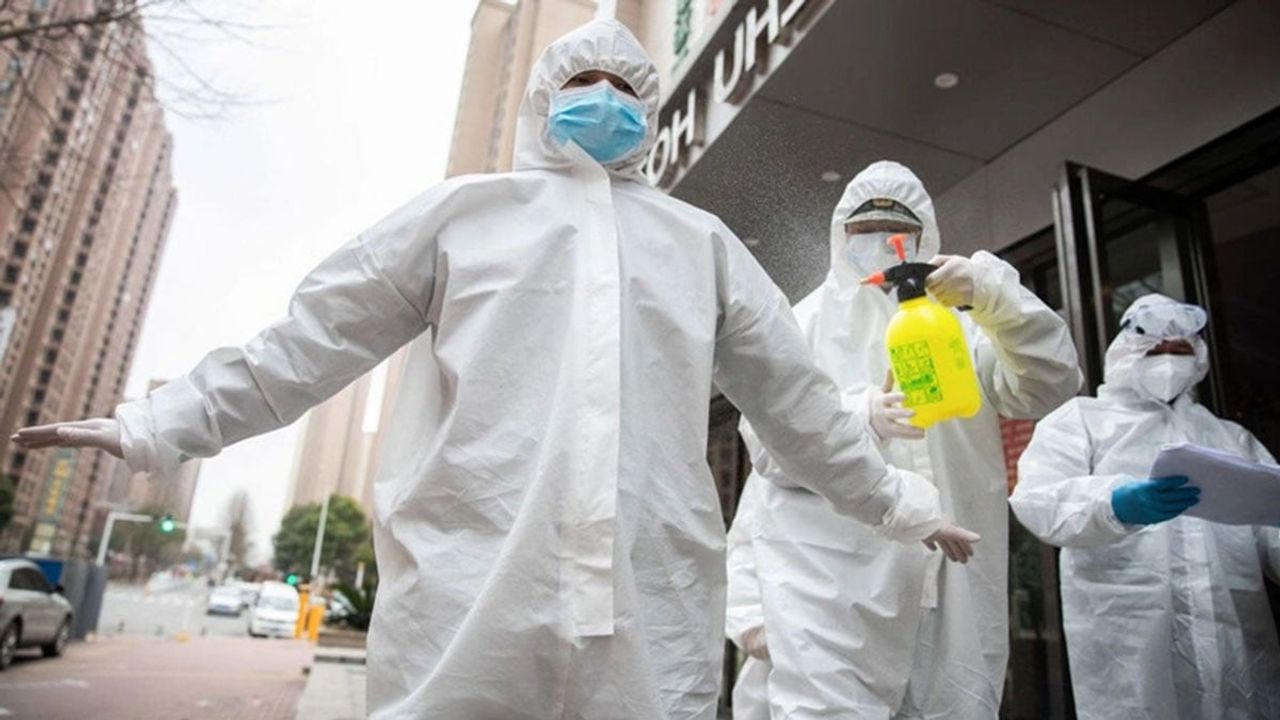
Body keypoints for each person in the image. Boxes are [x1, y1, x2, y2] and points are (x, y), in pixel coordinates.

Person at [11, 21, 978, 720]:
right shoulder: (462, 218)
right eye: (583, 78)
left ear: (648, 110)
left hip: (649, 612)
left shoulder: (703, 246)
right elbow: (308, 343)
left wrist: (899, 504)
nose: (604, 96)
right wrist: (157, 424)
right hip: (467, 600)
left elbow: (800, 407)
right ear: (542, 100)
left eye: (624, 84)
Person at [725, 160, 1081, 719]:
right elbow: (767, 451)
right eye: (864, 230)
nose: (881, 242)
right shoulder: (804, 323)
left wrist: (993, 297)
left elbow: (1048, 384)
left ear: (925, 236)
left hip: (956, 575)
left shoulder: (965, 324)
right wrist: (857, 415)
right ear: (841, 234)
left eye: (896, 228)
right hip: (834, 584)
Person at [1010, 293, 1280, 719]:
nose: (1168, 360)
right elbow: (1037, 499)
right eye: (1155, 349)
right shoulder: (1081, 421)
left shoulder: (1228, 437)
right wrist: (1115, 504)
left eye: (1180, 349)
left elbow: (1271, 522)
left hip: (1234, 640)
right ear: (1126, 353)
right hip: (1129, 635)